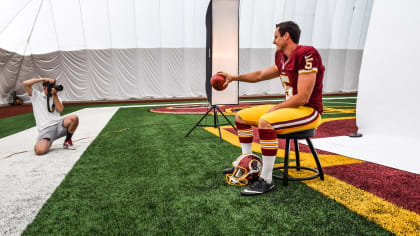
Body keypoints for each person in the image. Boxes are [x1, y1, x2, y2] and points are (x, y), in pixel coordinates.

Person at [218, 21, 325, 196]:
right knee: (241, 117)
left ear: (286, 36)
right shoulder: (281, 56)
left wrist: (276, 108)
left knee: (265, 121)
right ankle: (248, 162)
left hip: (308, 111)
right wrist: (234, 77)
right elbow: (260, 75)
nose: (273, 41)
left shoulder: (307, 54)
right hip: (292, 108)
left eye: (276, 36)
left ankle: (266, 180)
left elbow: (303, 97)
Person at [22, 78, 79, 155]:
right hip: (46, 130)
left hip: (59, 125)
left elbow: (60, 109)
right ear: (44, 87)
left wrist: (54, 95)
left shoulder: (56, 97)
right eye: (50, 86)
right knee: (39, 151)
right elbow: (25, 83)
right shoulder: (36, 95)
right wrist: (43, 79)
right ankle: (47, 141)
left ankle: (67, 141)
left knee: (74, 118)